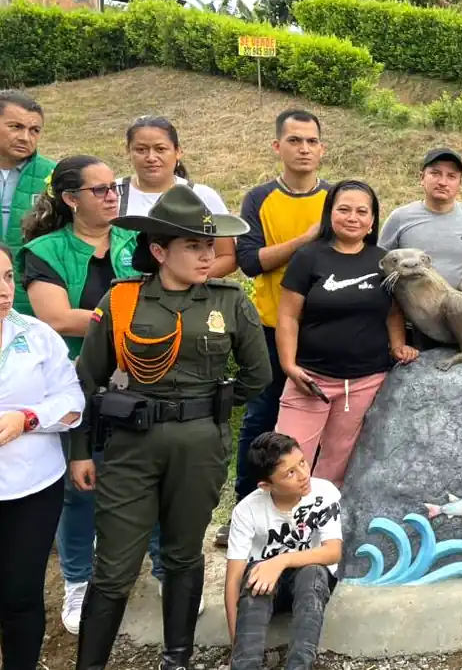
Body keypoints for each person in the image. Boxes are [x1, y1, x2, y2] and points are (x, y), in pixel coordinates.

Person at [70, 184, 271, 670]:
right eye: (193, 247)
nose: (207, 257)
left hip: (201, 444)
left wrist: (210, 409)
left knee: (184, 554)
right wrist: (79, 451)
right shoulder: (122, 302)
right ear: (160, 250)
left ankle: (176, 658)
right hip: (132, 444)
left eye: (209, 246)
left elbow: (257, 376)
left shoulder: (229, 301)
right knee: (115, 564)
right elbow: (87, 379)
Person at [17, 155, 152, 634]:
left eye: (114, 187)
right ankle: (78, 579)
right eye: (100, 190)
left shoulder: (136, 240)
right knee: (80, 486)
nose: (113, 195)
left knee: (147, 474)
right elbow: (54, 317)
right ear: (71, 199)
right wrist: (133, 320)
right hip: (76, 378)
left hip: (141, 375)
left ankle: (156, 567)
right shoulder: (46, 250)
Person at [226, 109, 332, 547]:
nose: (304, 149)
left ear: (321, 148)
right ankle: (243, 508)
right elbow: (250, 262)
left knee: (328, 421)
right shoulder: (259, 199)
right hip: (271, 327)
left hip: (325, 329)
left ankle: (314, 510)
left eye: (311, 141)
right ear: (278, 147)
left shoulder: (337, 197)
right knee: (262, 418)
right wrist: (306, 240)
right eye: (294, 141)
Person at [275, 180, 417, 488]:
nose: (352, 217)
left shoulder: (384, 261)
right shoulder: (308, 257)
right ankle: (282, 528)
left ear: (372, 221)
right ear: (329, 214)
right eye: (344, 209)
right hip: (310, 379)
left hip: (365, 382)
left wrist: (398, 346)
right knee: (286, 461)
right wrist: (289, 365)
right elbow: (287, 315)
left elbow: (394, 311)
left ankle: (325, 533)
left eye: (361, 211)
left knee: (337, 467)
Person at [0, 241, 85, 670]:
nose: (3, 290)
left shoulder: (35, 335)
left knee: (20, 593)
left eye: (8, 277)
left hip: (31, 487)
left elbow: (72, 401)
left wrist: (27, 419)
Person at [226, 432, 342, 670]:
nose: (303, 475)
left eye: (302, 462)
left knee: (313, 572)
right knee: (255, 574)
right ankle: (245, 664)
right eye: (290, 473)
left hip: (311, 586)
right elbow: (234, 579)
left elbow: (332, 552)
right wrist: (234, 644)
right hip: (266, 590)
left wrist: (280, 561)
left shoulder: (324, 492)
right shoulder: (246, 510)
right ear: (266, 485)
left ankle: (300, 665)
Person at [118, 115, 236, 277]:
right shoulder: (111, 193)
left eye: (160, 149)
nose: (151, 158)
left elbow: (227, 256)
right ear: (128, 151)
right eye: (141, 150)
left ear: (178, 151)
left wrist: (181, 282)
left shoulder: (202, 195)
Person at [380, 147, 462, 292]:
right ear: (422, 178)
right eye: (435, 173)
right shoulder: (399, 217)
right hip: (412, 311)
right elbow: (380, 265)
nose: (443, 182)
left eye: (451, 176)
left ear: (459, 183)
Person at [0, 91, 56, 318]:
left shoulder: (53, 175)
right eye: (15, 127)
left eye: (34, 130)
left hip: (30, 298)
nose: (26, 137)